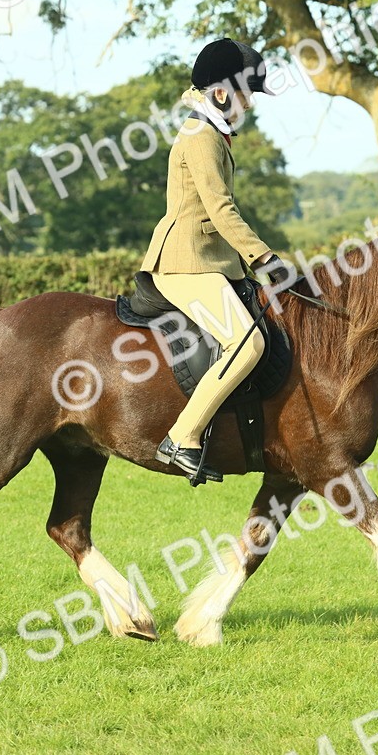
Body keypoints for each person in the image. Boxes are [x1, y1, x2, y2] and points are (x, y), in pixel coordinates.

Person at [140, 37, 290, 483]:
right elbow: (221, 209)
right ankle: (183, 436)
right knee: (247, 342)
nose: (250, 104)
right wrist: (264, 257)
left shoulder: (212, 131)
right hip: (186, 263)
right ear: (223, 93)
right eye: (247, 94)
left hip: (210, 262)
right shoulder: (200, 135)